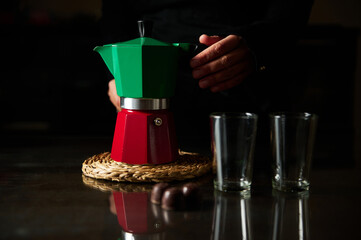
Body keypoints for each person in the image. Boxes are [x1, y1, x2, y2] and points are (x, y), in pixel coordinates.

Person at [100, 0, 314, 153]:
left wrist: (258, 45)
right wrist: (118, 73)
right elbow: (114, 16)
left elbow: (292, 12)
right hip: (150, 112)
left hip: (247, 102)